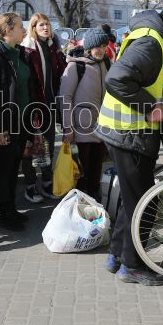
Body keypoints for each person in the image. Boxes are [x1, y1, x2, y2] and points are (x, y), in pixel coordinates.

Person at [95, 0, 163, 286]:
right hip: (130, 134)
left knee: (131, 199)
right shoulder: (150, 42)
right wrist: (149, 107)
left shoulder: (148, 35)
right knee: (143, 203)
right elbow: (117, 79)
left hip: (121, 131)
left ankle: (117, 255)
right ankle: (133, 266)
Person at [0, 13, 33, 230]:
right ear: (9, 30)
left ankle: (11, 208)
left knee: (13, 169)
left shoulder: (19, 54)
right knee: (4, 170)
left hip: (20, 121)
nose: (25, 30)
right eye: (21, 27)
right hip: (5, 124)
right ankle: (5, 213)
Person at [58, 30, 110, 199]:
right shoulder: (76, 65)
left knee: (96, 173)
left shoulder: (105, 64)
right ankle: (79, 208)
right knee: (81, 173)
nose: (101, 50)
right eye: (97, 46)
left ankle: (95, 208)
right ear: (88, 47)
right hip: (80, 130)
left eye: (104, 46)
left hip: (101, 129)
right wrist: (68, 127)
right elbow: (65, 97)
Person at [23, 13, 66, 195]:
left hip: (50, 103)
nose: (46, 28)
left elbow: (59, 75)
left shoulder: (53, 48)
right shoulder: (27, 50)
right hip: (33, 105)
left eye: (47, 24)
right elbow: (28, 82)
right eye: (41, 25)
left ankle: (47, 182)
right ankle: (30, 185)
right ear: (33, 28)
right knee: (32, 146)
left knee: (48, 144)